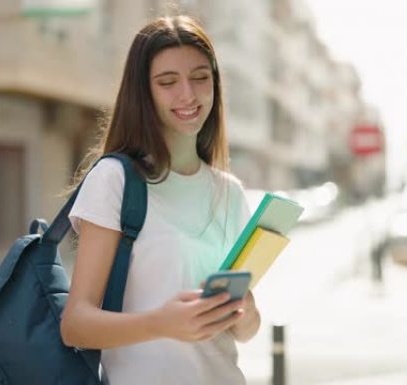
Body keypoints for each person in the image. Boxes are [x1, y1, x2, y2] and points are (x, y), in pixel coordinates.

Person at [60, 15, 260, 384]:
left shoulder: (229, 192)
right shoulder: (115, 180)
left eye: (200, 77)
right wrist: (161, 324)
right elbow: (75, 324)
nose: (188, 94)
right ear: (143, 93)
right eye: (168, 82)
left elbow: (244, 332)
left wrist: (244, 313)